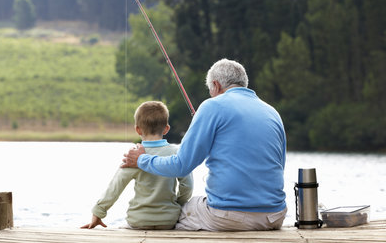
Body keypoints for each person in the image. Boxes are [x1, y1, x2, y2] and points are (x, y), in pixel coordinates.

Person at [122, 58, 287, 231]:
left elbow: (180, 166)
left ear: (215, 85)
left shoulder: (212, 106)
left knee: (178, 214)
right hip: (274, 216)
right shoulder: (272, 112)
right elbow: (279, 166)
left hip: (229, 217)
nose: (211, 95)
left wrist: (142, 160)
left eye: (210, 91)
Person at [82, 101, 193, 230]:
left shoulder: (134, 155)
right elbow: (188, 186)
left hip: (139, 220)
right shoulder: (176, 152)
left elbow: (116, 186)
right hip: (169, 220)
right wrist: (177, 205)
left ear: (137, 129)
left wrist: (98, 212)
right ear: (166, 128)